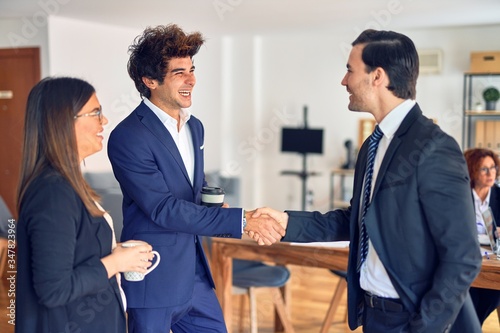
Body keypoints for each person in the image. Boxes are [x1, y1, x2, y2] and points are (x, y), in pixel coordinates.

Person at [252, 29, 482, 333]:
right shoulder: (373, 145)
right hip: (374, 316)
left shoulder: (433, 147)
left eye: (350, 69)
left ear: (378, 76)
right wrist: (285, 222)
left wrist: (423, 328)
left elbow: (463, 258)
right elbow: (357, 221)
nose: (343, 80)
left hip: (411, 321)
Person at [107, 24, 284, 333]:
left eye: (192, 69)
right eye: (179, 73)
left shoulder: (195, 127)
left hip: (196, 273)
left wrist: (221, 210)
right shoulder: (128, 136)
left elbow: (193, 190)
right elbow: (163, 208)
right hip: (155, 275)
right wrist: (242, 222)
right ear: (150, 81)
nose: (192, 80)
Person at [15, 77, 155, 333]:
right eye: (96, 113)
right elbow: (54, 289)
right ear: (64, 122)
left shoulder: (67, 183)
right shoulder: (52, 192)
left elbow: (74, 252)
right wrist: (117, 263)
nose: (105, 121)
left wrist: (116, 251)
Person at [464, 148, 500, 325]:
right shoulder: (459, 196)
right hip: (465, 257)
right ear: (471, 170)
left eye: (493, 167)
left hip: (493, 258)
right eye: (483, 169)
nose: (490, 173)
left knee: (493, 293)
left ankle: (472, 325)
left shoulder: (499, 196)